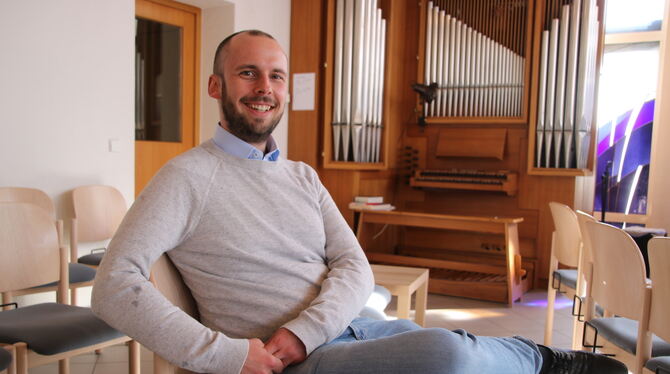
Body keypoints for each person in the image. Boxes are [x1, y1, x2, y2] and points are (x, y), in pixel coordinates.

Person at [91, 30, 627, 374]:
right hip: (298, 362)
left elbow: (354, 265)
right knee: (444, 354)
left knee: (438, 344)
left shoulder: (301, 175)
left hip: (351, 326)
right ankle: (540, 360)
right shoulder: (187, 176)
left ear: (287, 92)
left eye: (276, 76)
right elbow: (113, 285)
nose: (265, 87)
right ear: (215, 86)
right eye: (247, 73)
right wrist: (229, 354)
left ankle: (528, 360)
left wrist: (308, 328)